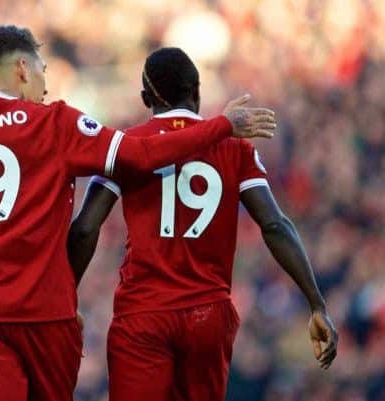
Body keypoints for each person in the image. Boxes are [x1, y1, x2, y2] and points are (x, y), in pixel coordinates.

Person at [0, 26, 276, 401]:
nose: (45, 86)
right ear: (23, 69)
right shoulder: (56, 122)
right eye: (43, 69)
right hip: (47, 315)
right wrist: (222, 126)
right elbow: (140, 156)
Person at [67, 47, 337, 401]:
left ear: (145, 97)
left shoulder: (126, 147)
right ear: (197, 92)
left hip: (143, 314)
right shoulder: (234, 148)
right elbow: (274, 225)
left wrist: (66, 298)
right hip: (206, 316)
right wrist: (316, 302)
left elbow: (86, 227)